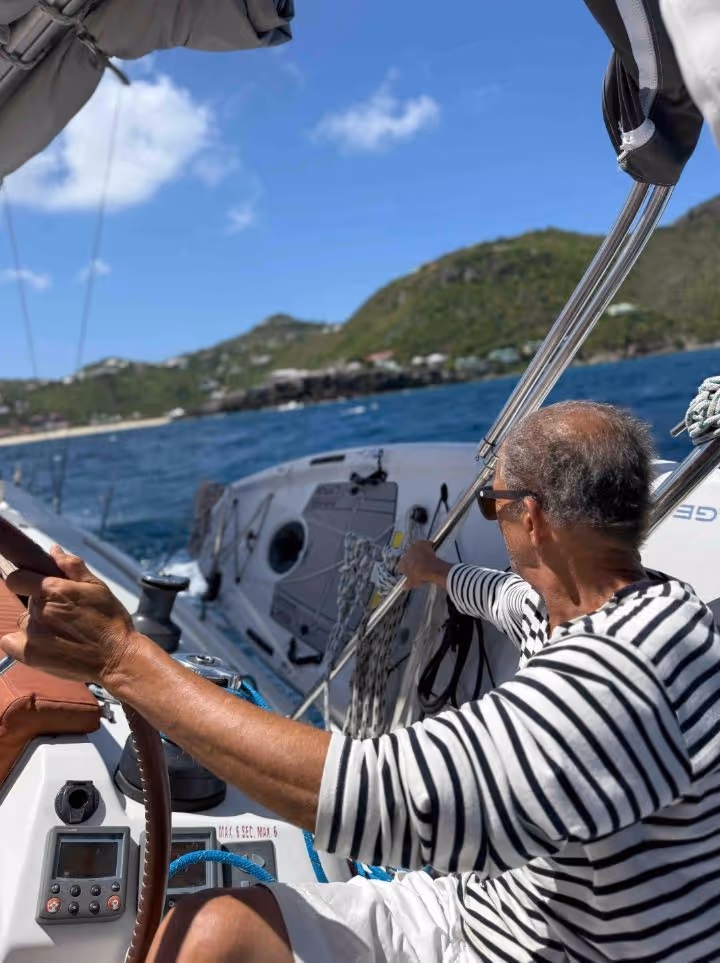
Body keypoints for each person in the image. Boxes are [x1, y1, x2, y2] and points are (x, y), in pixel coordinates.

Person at [2, 400, 720, 963]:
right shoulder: (597, 600)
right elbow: (500, 595)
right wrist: (434, 573)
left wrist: (121, 657)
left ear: (530, 519)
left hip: (547, 944)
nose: (493, 519)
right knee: (208, 932)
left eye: (491, 505)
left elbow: (384, 800)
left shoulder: (624, 672)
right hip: (502, 904)